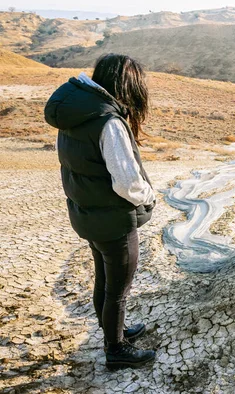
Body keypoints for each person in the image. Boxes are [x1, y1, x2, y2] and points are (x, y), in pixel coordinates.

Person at [45, 54, 156, 370]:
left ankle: (114, 331)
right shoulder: (108, 121)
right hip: (113, 219)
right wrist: (148, 196)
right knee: (117, 290)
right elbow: (127, 182)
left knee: (104, 278)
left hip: (86, 213)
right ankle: (116, 349)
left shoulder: (75, 113)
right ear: (125, 85)